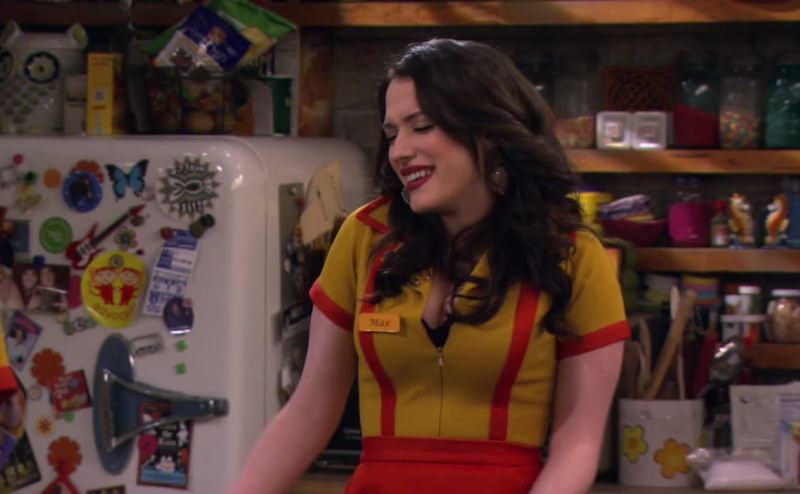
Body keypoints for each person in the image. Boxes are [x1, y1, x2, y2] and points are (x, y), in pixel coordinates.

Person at [228, 38, 629, 494]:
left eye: (421, 127)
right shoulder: (365, 236)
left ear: (489, 131)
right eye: (392, 133)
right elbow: (310, 409)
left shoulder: (571, 255)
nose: (399, 151)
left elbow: (578, 444)